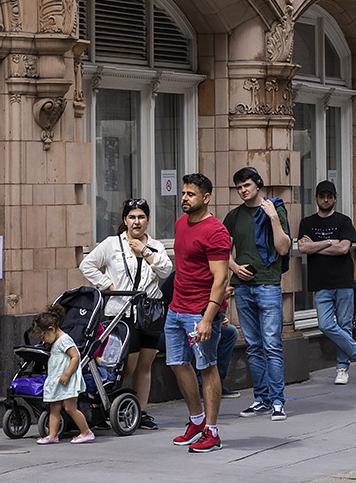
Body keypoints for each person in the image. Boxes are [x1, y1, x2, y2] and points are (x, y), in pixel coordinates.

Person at [79, 198, 173, 429]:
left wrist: (145, 252)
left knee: (145, 365)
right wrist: (108, 285)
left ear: (148, 220)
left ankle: (140, 412)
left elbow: (166, 269)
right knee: (124, 365)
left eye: (141, 217)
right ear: (125, 220)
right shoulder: (112, 244)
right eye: (132, 217)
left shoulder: (155, 245)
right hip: (120, 314)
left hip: (149, 312)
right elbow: (87, 265)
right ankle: (109, 408)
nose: (136, 221)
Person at [167, 173, 231, 453]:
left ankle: (213, 432)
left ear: (206, 198)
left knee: (207, 368)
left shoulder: (216, 231)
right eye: (183, 193)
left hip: (200, 312)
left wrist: (208, 318)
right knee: (177, 363)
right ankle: (196, 421)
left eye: (190, 194)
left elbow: (220, 279)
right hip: (176, 308)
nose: (184, 198)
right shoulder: (181, 224)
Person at [225, 166, 291, 421]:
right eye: (239, 187)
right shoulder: (234, 216)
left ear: (258, 185)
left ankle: (277, 401)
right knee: (253, 346)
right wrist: (234, 267)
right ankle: (261, 398)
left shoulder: (275, 210)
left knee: (272, 344)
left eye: (247, 186)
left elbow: (283, 248)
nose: (243, 191)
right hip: (243, 287)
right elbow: (221, 250)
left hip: (268, 284)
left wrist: (274, 217)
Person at [297, 180, 356, 385]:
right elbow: (303, 249)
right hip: (320, 282)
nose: (325, 200)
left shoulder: (343, 221)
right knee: (325, 325)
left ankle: (342, 368)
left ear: (335, 198)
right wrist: (329, 242)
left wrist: (316, 245)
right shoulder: (307, 222)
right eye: (322, 196)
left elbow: (343, 249)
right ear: (315, 198)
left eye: (329, 196)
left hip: (343, 281)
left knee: (344, 325)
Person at [32, 304, 95, 444]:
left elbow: (75, 356)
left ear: (51, 329)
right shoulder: (56, 341)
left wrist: (66, 374)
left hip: (67, 380)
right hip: (57, 380)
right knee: (54, 408)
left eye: (43, 336)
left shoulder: (64, 340)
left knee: (70, 408)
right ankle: (52, 435)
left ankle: (86, 432)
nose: (43, 340)